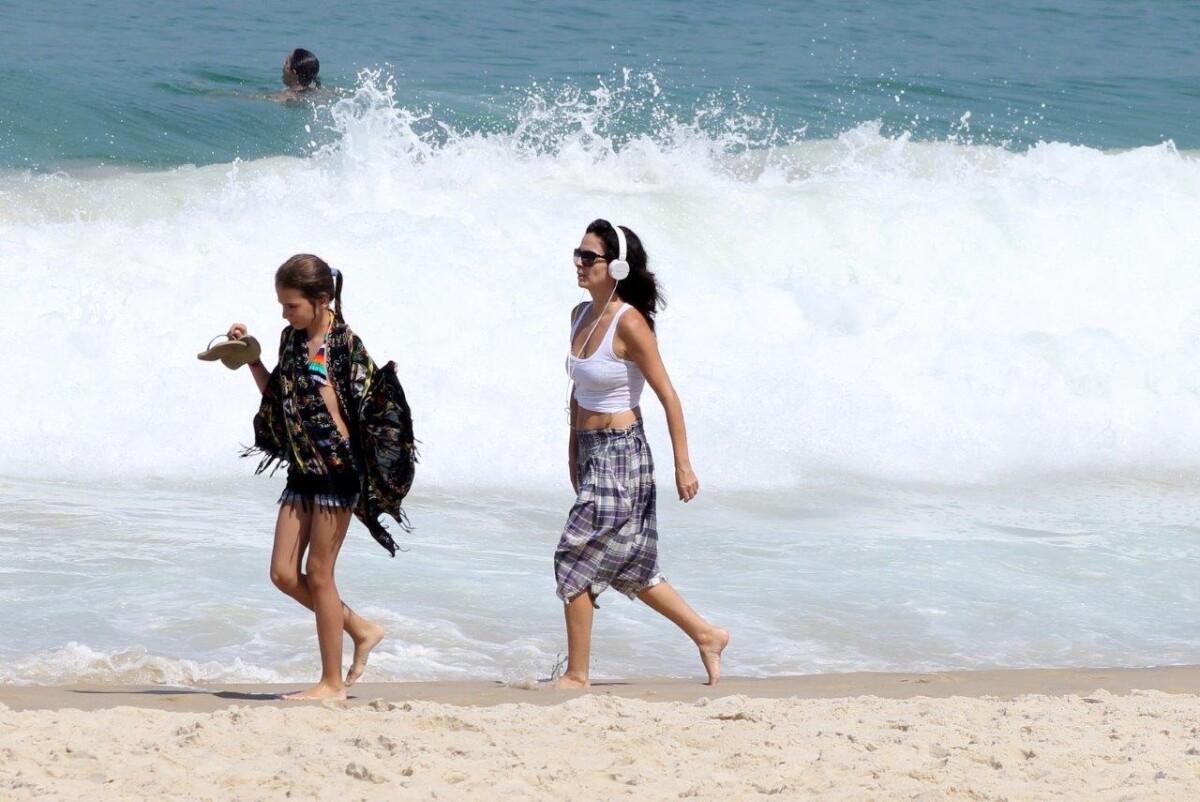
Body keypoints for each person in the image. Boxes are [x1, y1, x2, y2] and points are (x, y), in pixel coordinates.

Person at [229, 254, 416, 700]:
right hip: (302, 471)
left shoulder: (345, 345)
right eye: (281, 304)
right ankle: (361, 628)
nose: (284, 313)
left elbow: (373, 412)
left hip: (338, 473)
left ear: (321, 299)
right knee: (281, 573)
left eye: (291, 305)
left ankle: (332, 684)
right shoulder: (290, 340)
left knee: (318, 574)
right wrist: (253, 360)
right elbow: (280, 399)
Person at [556, 219, 730, 687]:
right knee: (631, 566)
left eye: (588, 257)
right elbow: (578, 392)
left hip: (623, 454)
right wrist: (573, 449)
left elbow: (667, 395)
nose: (578, 262)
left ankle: (577, 675)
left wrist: (683, 464)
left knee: (574, 553)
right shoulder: (578, 314)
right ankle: (707, 634)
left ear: (614, 265)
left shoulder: (629, 321)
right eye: (578, 253)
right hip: (594, 451)